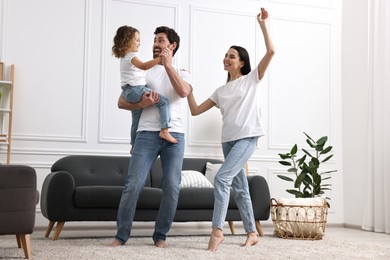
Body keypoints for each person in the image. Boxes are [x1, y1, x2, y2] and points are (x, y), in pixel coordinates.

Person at [186, 7, 275, 251]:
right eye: (226, 55)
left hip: (247, 138)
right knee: (240, 186)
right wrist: (187, 88)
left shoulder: (252, 79)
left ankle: (217, 230)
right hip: (228, 141)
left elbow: (271, 51)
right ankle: (251, 232)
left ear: (242, 62)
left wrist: (263, 25)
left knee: (223, 178)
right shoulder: (220, 91)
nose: (227, 58)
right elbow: (195, 110)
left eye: (232, 55)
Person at [109, 26, 192, 248]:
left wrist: (168, 66)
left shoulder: (183, 71)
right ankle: (121, 235)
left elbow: (183, 92)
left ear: (172, 46)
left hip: (174, 134)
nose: (155, 43)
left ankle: (160, 236)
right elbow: (121, 102)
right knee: (133, 183)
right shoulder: (144, 71)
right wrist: (141, 104)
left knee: (172, 186)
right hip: (145, 134)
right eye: (154, 40)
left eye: (161, 40)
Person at [112, 25, 177, 153]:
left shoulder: (125, 57)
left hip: (128, 90)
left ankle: (133, 145)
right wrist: (161, 58)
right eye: (136, 40)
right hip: (135, 89)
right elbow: (144, 66)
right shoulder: (131, 56)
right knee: (163, 102)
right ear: (127, 40)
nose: (139, 43)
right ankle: (164, 130)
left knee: (136, 118)